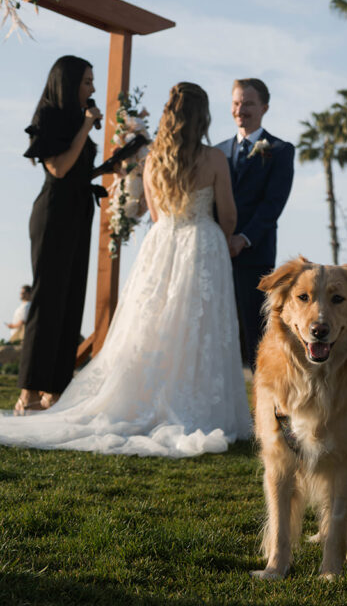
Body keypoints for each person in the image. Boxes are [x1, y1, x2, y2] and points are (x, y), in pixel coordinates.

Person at [0, 82, 252, 457]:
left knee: (152, 326)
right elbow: (228, 217)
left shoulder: (152, 160)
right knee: (196, 327)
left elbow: (154, 213)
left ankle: (145, 400)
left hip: (162, 240)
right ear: (203, 117)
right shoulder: (214, 159)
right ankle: (194, 403)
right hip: (201, 244)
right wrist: (223, 234)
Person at [15, 56, 102, 415]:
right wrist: (85, 127)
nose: (93, 89)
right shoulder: (49, 117)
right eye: (86, 81)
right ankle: (29, 393)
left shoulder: (78, 119)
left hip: (79, 213)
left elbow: (81, 169)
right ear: (67, 83)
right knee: (48, 300)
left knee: (71, 300)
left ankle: (56, 388)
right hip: (53, 215)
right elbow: (59, 167)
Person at [216, 78, 294, 370]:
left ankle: (265, 401)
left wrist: (243, 238)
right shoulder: (216, 151)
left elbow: (273, 204)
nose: (240, 109)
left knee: (255, 331)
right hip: (216, 253)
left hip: (254, 254)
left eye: (248, 103)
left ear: (264, 107)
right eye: (236, 103)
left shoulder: (280, 150)